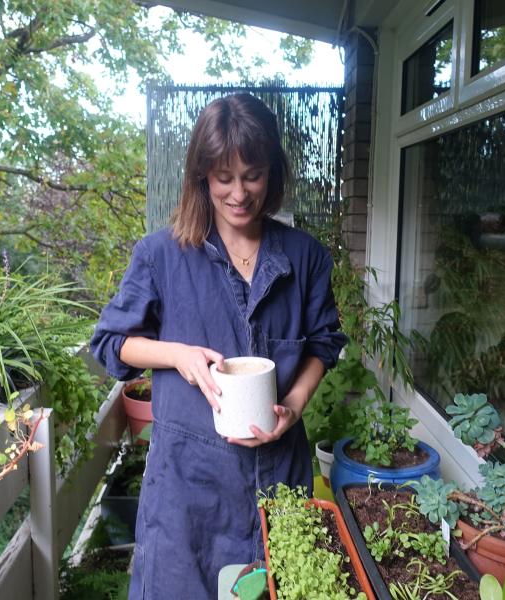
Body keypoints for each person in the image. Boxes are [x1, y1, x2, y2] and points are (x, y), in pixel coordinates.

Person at [90, 93, 347, 599]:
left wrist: (293, 405)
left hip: (279, 475)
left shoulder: (305, 257)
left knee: (277, 587)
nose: (239, 193)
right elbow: (111, 344)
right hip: (188, 490)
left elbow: (324, 343)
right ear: (202, 176)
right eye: (224, 178)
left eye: (252, 174)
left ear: (272, 172)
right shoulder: (162, 254)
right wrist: (178, 356)